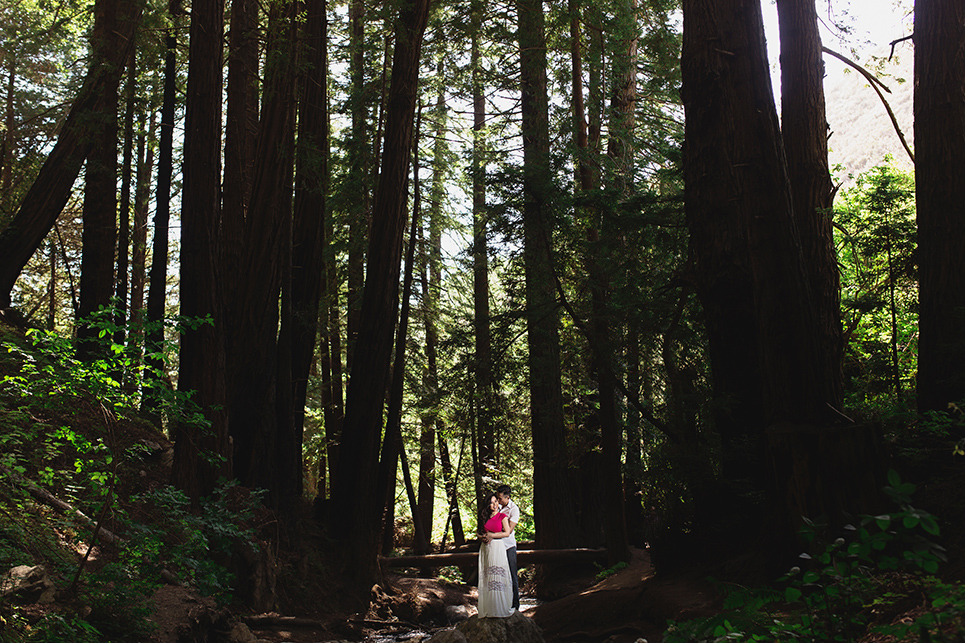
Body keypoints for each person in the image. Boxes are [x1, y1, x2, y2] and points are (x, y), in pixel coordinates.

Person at [481, 484, 520, 610]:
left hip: (508, 546)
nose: (497, 501)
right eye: (496, 498)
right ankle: (500, 603)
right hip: (495, 548)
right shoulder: (496, 508)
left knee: (511, 575)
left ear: (507, 497)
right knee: (497, 575)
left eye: (500, 499)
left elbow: (507, 530)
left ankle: (515, 604)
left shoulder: (513, 510)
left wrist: (492, 534)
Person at [477, 494, 513, 617]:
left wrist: (492, 535)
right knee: (488, 577)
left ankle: (500, 606)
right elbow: (478, 532)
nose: (495, 504)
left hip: (497, 547)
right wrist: (483, 537)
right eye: (492, 503)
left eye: (496, 501)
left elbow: (507, 533)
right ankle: (489, 607)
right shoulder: (484, 517)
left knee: (497, 576)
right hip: (486, 548)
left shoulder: (502, 516)